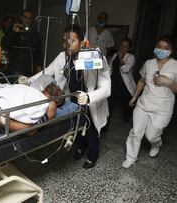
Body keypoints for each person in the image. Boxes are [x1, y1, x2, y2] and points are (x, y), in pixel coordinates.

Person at [29, 24, 111, 169]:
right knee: (77, 127)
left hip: (90, 100)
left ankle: (93, 155)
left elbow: (106, 89)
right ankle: (81, 146)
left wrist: (89, 97)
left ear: (82, 42)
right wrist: (28, 80)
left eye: (71, 41)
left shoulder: (93, 57)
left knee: (90, 129)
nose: (67, 45)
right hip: (73, 98)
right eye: (64, 41)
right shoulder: (62, 56)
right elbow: (47, 72)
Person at [122, 35, 177, 168]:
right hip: (143, 104)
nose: (161, 50)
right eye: (159, 47)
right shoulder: (148, 63)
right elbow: (141, 81)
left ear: (172, 50)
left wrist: (168, 82)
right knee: (136, 132)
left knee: (152, 135)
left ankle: (156, 143)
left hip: (162, 109)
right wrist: (134, 97)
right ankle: (131, 157)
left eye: (166, 48)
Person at [2, 9, 43, 77]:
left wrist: (39, 66)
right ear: (21, 17)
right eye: (25, 17)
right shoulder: (14, 29)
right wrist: (13, 32)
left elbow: (38, 51)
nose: (27, 20)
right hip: (16, 70)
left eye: (29, 18)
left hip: (30, 71)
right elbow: (4, 43)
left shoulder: (34, 33)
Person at [108, 38, 136, 121]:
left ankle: (126, 118)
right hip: (114, 81)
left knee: (126, 102)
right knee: (109, 101)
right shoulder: (115, 55)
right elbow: (110, 67)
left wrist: (120, 58)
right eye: (121, 45)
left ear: (129, 48)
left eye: (125, 46)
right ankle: (106, 119)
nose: (121, 48)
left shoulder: (131, 57)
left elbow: (125, 69)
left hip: (125, 83)